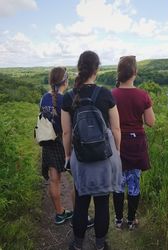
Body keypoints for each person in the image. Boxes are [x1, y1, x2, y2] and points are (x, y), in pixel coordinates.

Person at [61, 50, 122, 250]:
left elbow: (66, 133)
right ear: (97, 69)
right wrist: (117, 153)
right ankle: (100, 245)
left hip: (81, 157)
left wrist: (68, 155)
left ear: (80, 68)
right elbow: (115, 128)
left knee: (81, 202)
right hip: (105, 157)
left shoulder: (69, 97)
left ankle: (77, 245)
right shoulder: (105, 94)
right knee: (103, 204)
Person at [112, 55, 155, 230]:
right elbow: (151, 122)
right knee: (134, 182)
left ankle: (117, 220)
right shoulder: (143, 95)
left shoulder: (111, 94)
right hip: (136, 143)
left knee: (118, 183)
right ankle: (130, 221)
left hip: (117, 141)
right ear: (135, 72)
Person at [40, 67, 73, 225]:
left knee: (54, 180)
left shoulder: (43, 98)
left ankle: (59, 213)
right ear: (65, 81)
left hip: (48, 142)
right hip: (63, 141)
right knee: (77, 180)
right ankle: (79, 213)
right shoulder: (66, 98)